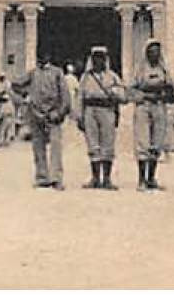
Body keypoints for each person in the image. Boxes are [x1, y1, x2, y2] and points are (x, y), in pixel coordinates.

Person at [12, 51, 70, 190]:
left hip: (53, 115)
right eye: (39, 56)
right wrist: (25, 98)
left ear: (49, 57)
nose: (42, 58)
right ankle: (42, 177)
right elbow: (16, 84)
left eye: (44, 56)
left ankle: (56, 178)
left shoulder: (57, 73)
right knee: (38, 147)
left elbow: (65, 96)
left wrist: (60, 112)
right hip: (36, 114)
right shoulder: (32, 73)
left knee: (56, 147)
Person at [77, 45, 128, 190]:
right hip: (90, 111)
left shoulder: (112, 76)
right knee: (93, 144)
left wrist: (114, 93)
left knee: (108, 143)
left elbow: (123, 95)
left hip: (107, 110)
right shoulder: (86, 77)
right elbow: (80, 96)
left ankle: (106, 178)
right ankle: (95, 177)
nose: (98, 61)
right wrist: (79, 116)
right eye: (96, 58)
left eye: (101, 58)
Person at [130, 40, 174, 192]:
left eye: (157, 51)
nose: (154, 54)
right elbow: (131, 89)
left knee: (157, 141)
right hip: (143, 106)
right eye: (151, 51)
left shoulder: (164, 69)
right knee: (142, 141)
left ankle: (151, 178)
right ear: (146, 53)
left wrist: (165, 93)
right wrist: (143, 95)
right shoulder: (139, 69)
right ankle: (141, 179)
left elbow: (171, 89)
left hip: (159, 106)